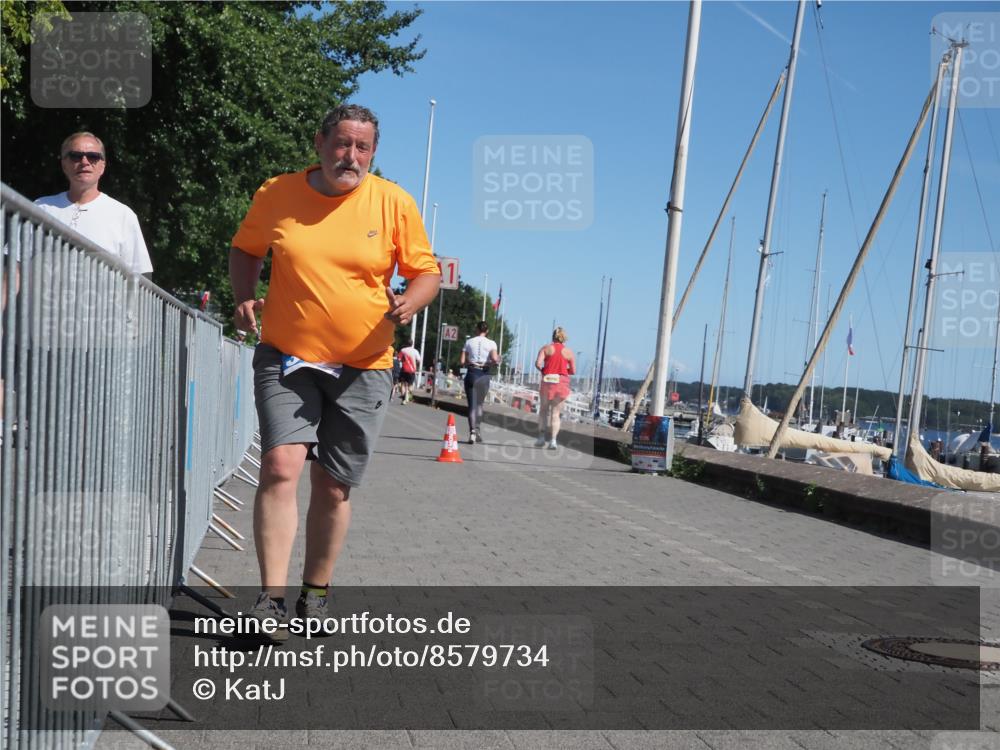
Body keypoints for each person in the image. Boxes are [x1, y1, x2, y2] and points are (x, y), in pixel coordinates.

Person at [229, 104, 440, 636]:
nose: (351, 156)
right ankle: (270, 599)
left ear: (373, 153)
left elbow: (426, 271)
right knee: (280, 466)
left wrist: (411, 302)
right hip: (287, 355)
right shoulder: (276, 193)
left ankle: (314, 592)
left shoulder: (393, 202)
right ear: (320, 143)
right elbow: (246, 248)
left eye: (362, 147)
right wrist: (243, 296)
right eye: (342, 144)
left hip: (364, 364)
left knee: (332, 484)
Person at [35, 132, 153, 276]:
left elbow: (141, 279)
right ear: (64, 164)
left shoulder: (123, 215)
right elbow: (14, 266)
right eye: (75, 156)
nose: (84, 161)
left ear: (102, 166)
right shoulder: (41, 208)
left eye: (93, 156)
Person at [535, 327, 576, 449]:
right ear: (564, 338)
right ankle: (553, 441)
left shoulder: (546, 348)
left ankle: (541, 438)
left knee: (543, 411)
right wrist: (563, 370)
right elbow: (573, 370)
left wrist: (544, 370)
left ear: (553, 336)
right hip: (561, 382)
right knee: (556, 413)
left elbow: (538, 363)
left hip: (548, 381)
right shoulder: (569, 352)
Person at [459, 321, 499, 444]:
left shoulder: (469, 342)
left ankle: (472, 433)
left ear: (477, 329)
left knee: (472, 405)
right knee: (480, 405)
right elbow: (495, 359)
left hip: (471, 373)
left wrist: (470, 362)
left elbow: (462, 361)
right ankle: (478, 430)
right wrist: (496, 360)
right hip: (484, 375)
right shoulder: (491, 343)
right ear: (487, 331)